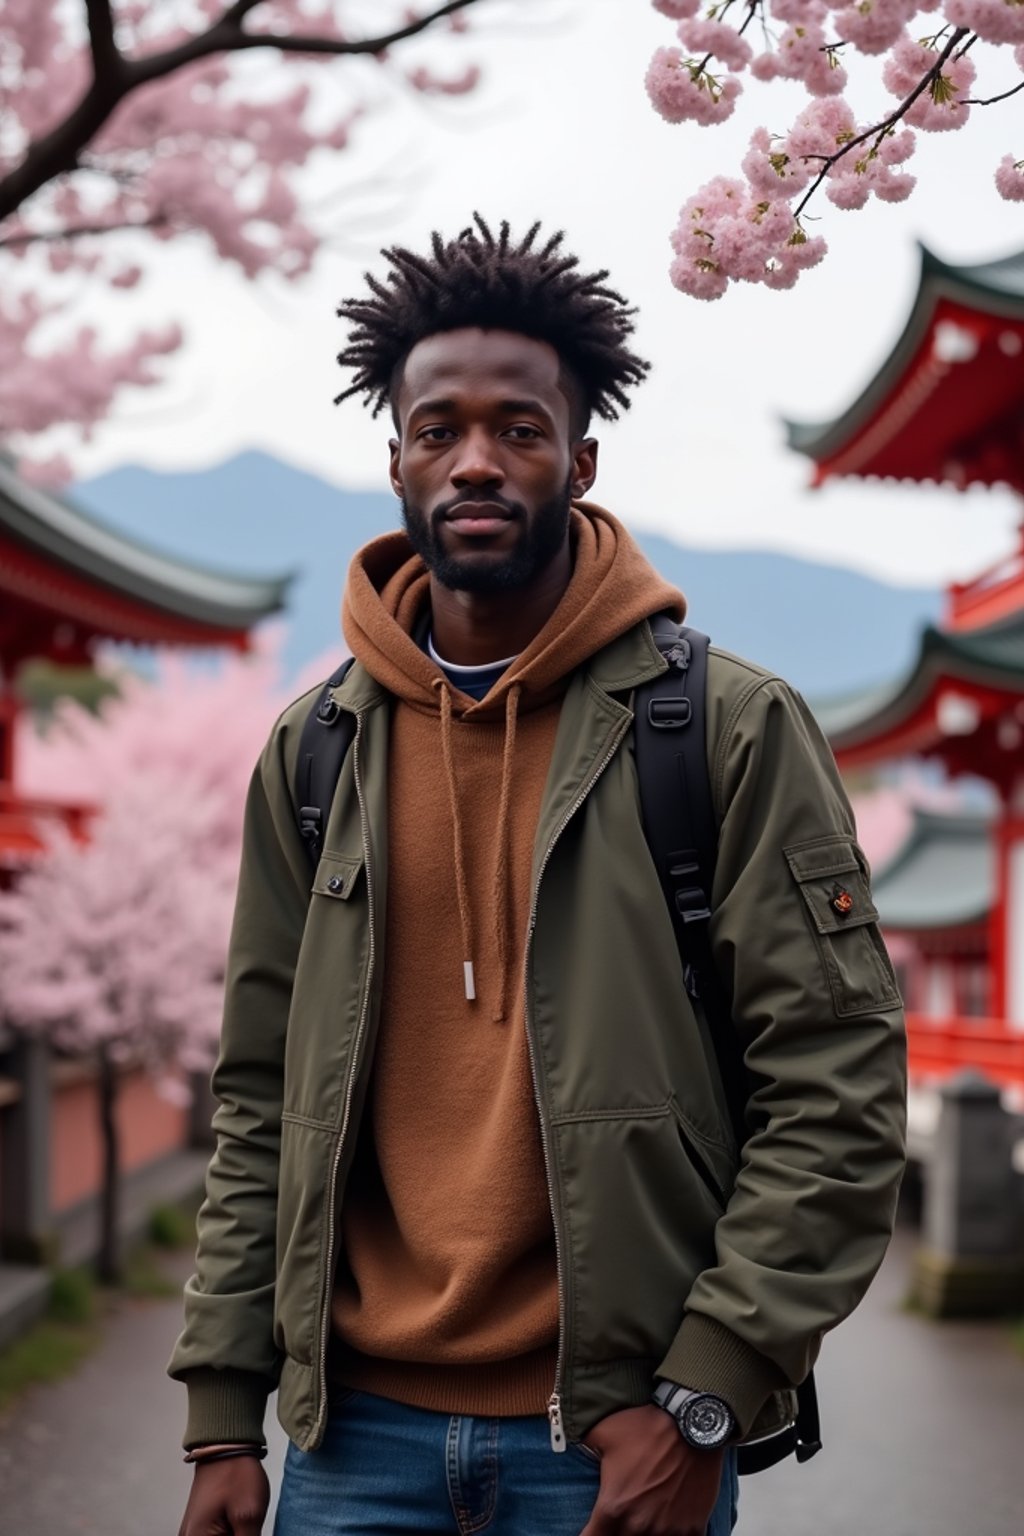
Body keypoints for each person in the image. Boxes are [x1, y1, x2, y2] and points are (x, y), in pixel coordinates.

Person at [171, 216, 906, 1536]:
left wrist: (707, 1398)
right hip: (351, 1443)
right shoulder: (317, 751)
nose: (475, 461)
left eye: (519, 428)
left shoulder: (723, 729)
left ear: (580, 456)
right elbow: (260, 1094)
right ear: (393, 456)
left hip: (614, 1434)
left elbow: (837, 1081)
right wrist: (224, 1409)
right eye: (437, 427)